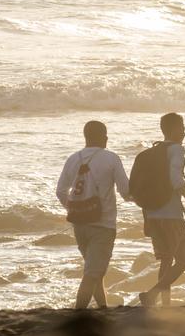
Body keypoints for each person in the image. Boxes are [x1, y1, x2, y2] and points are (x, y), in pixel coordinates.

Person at [55, 120, 130, 309]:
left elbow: (60, 191)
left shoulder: (73, 158)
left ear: (85, 137)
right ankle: (78, 315)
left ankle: (102, 309)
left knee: (95, 272)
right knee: (92, 274)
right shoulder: (111, 158)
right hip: (102, 225)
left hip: (79, 224)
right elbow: (126, 191)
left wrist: (72, 207)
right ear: (104, 137)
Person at [139, 112, 185, 306]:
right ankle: (152, 294)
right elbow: (175, 178)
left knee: (166, 260)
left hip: (152, 214)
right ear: (173, 129)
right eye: (182, 127)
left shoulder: (154, 152)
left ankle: (165, 305)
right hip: (171, 215)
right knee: (183, 260)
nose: (184, 131)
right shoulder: (176, 150)